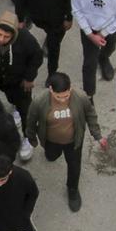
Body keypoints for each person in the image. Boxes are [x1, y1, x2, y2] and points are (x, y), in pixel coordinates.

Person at [25, 72, 102, 211]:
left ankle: (72, 190)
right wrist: (31, 137)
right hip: (51, 141)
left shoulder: (80, 97)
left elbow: (90, 114)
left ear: (70, 88)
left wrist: (97, 135)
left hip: (74, 141)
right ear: (51, 90)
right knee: (51, 155)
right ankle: (52, 153)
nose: (62, 100)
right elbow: (31, 120)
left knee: (74, 166)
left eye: (66, 96)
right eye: (58, 97)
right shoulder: (39, 101)